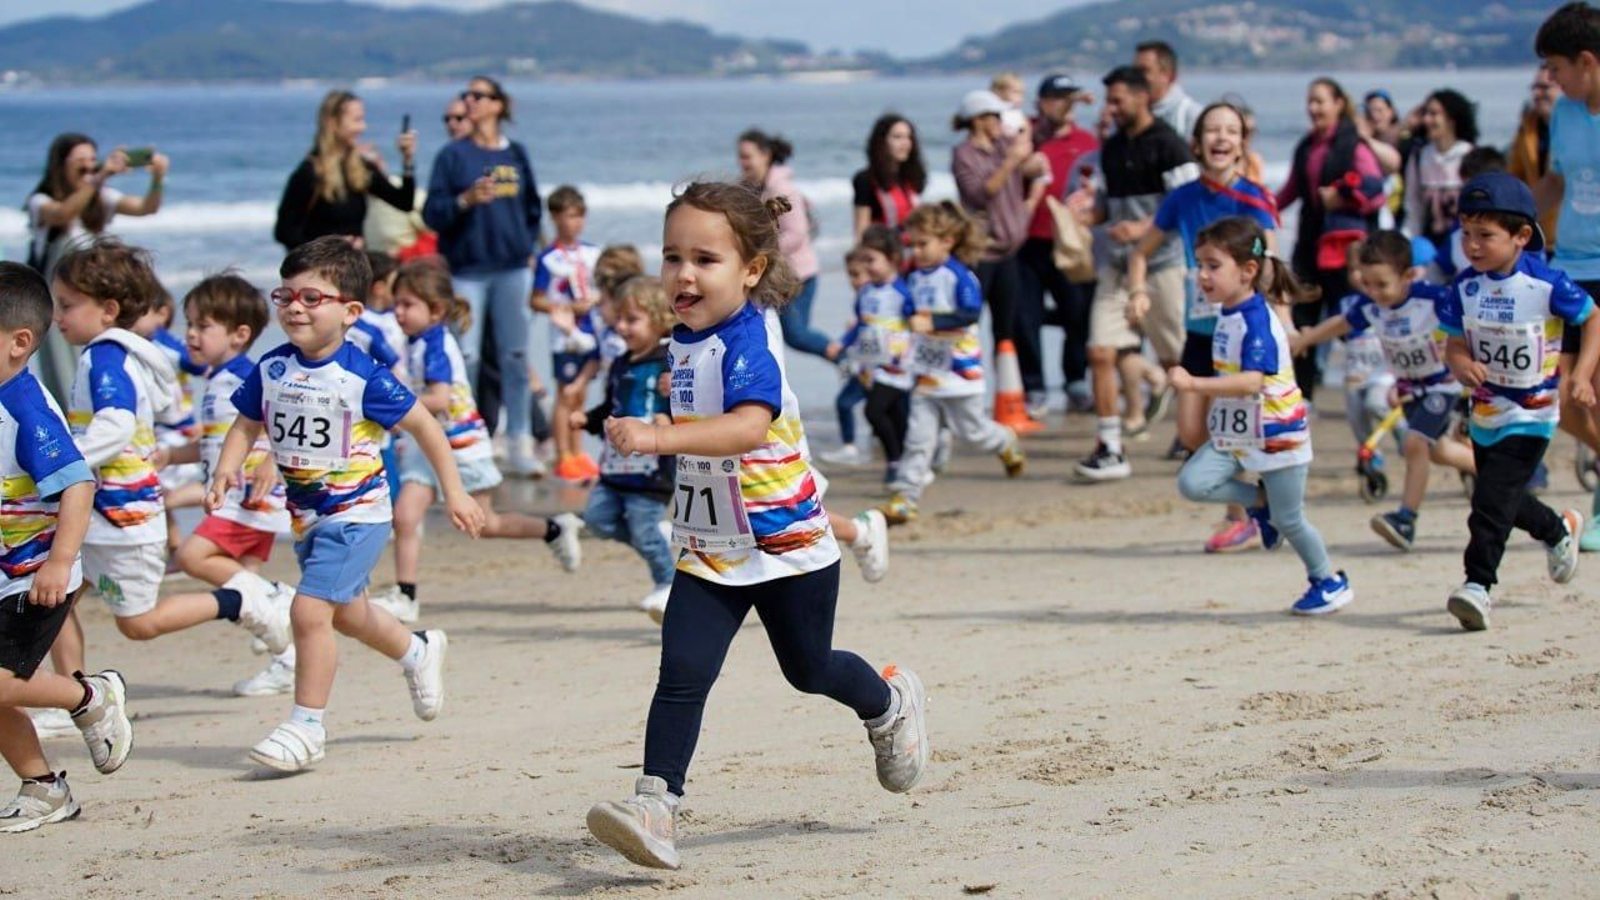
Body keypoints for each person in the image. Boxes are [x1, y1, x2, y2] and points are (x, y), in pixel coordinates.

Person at [583, 181, 927, 871]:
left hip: (789, 546)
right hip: (711, 545)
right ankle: (656, 804)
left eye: (705, 259)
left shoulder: (747, 340)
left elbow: (747, 426)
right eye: (672, 255)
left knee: (808, 669)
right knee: (682, 671)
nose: (683, 273)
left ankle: (888, 703)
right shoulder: (683, 336)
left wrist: (657, 439)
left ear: (751, 271)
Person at [207, 236, 488, 772]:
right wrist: (227, 466)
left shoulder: (363, 376)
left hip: (359, 515)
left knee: (308, 610)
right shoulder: (271, 368)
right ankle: (417, 650)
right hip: (307, 517)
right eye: (285, 295)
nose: (294, 306)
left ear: (351, 312)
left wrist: (455, 491)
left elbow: (426, 425)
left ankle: (306, 727)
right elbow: (247, 423)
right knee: (349, 614)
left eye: (312, 297)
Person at [51, 239, 296, 658]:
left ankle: (240, 601)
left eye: (67, 305)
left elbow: (117, 423)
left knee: (138, 624)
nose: (56, 317)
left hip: (122, 517)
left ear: (108, 310)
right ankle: (73, 699)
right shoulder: (119, 356)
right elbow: (154, 411)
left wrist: (59, 461)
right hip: (98, 510)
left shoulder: (106, 359)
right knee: (53, 602)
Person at [0, 262, 133, 833]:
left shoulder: (26, 410)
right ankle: (43, 788)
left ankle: (89, 695)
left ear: (19, 343)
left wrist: (58, 562)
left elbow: (79, 483)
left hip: (34, 574)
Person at [1171, 216, 1354, 615]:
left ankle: (1328, 580)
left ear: (1248, 270)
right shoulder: (1228, 312)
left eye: (1213, 266)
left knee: (1292, 521)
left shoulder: (1256, 319)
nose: (1202, 276)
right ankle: (1260, 504)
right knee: (1193, 482)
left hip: (1278, 434)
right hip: (1239, 433)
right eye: (1199, 264)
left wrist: (1192, 385)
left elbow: (1252, 382)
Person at [1438, 173, 1596, 631]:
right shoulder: (1464, 288)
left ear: (1521, 236)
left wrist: (1582, 375)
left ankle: (1477, 586)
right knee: (1502, 495)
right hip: (1486, 412)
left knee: (1488, 502)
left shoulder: (1548, 285)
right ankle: (1558, 529)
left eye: (1485, 235)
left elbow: (1593, 318)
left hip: (1533, 414)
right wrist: (1461, 363)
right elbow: (1453, 344)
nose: (1472, 245)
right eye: (1466, 233)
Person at [383, 260, 580, 625]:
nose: (398, 312)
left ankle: (554, 527)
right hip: (426, 447)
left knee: (485, 524)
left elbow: (440, 399)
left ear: (436, 309)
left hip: (462, 446)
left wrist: (387, 404)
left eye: (407, 304)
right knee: (405, 515)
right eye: (396, 303)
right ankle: (406, 594)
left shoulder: (437, 344)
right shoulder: (413, 342)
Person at [1124, 101, 1279, 551]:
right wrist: (1138, 291)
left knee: (1235, 428)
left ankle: (1245, 518)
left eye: (1231, 130)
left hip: (1246, 331)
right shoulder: (1183, 198)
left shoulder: (1254, 197)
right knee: (1193, 433)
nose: (1221, 137)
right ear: (1197, 142)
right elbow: (1140, 253)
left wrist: (1278, 319)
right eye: (1212, 129)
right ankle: (1258, 503)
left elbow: (1269, 263)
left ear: (1241, 144)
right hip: (1201, 328)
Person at [160, 274, 299, 697]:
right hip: (235, 498)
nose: (190, 334)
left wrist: (275, 461)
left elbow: (286, 420)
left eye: (203, 326)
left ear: (239, 335)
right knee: (246, 596)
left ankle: (279, 595)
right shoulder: (217, 379)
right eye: (189, 324)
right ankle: (287, 661)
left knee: (191, 555)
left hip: (249, 498)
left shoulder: (247, 376)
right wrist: (170, 456)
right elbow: (218, 441)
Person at [1293, 232, 1473, 553]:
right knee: (1440, 452)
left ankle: (1406, 519)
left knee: (1416, 443)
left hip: (1442, 385)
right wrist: (1306, 339)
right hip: (1407, 391)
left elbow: (1469, 317)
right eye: (1367, 283)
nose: (1373, 292)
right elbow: (1340, 324)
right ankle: (1500, 473)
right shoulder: (1371, 306)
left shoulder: (1433, 298)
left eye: (1381, 284)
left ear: (1407, 276)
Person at [1069, 65, 1197, 482]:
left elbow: (1189, 205)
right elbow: (1108, 205)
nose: (1111, 108)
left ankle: (1193, 436)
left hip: (1163, 264)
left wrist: (1143, 229)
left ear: (1143, 97)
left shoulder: (1170, 145)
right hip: (1118, 266)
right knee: (1101, 352)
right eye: (1109, 100)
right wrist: (1089, 214)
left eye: (1117, 99)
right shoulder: (1111, 148)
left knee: (1177, 357)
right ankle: (1110, 447)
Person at [422, 75, 543, 476]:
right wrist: (464, 200)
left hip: (512, 268)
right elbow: (432, 214)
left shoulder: (517, 154)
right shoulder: (453, 156)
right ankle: (466, 443)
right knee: (467, 358)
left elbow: (531, 208)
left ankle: (520, 443)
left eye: (478, 95)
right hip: (468, 271)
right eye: (467, 95)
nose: (469, 101)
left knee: (515, 357)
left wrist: (527, 249)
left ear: (498, 105)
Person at [878, 202, 1026, 524]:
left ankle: (1004, 440)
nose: (916, 251)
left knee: (972, 432)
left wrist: (933, 322)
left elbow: (971, 312)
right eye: (912, 244)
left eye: (923, 243)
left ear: (946, 241)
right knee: (918, 439)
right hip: (927, 373)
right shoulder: (914, 276)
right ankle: (906, 496)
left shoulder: (959, 276)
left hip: (961, 371)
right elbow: (907, 308)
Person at [1276, 77, 1388, 402]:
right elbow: (1290, 191)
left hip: (1347, 254)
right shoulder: (1306, 146)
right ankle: (1302, 399)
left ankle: (1371, 392)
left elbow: (1375, 189)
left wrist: (1343, 197)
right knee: (1302, 321)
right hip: (1310, 248)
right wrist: (1259, 208)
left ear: (1338, 103)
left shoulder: (1353, 144)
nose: (1313, 108)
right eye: (1310, 101)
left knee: (1352, 322)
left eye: (1320, 101)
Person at [1535, 2, 1600, 553]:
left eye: (1556, 67)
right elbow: (1557, 181)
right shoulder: (1564, 113)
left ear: (1587, 61)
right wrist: (1510, 218)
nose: (1550, 79)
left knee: (1597, 390)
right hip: (1568, 265)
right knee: (1557, 393)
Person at [573, 275, 676, 622]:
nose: (622, 326)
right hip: (616, 465)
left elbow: (693, 403)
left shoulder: (671, 360)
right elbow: (611, 407)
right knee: (597, 521)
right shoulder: (620, 363)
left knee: (644, 531)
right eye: (619, 318)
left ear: (659, 318)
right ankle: (656, 540)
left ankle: (668, 582)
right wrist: (586, 420)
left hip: (652, 469)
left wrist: (669, 412)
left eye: (632, 319)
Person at [1018, 73, 1099, 416]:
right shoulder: (1027, 135)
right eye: (1057, 98)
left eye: (1069, 97)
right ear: (1041, 102)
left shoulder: (1089, 141)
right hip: (1028, 242)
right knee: (1026, 317)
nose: (1064, 104)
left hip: (1071, 245)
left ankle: (1075, 380)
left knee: (1077, 314)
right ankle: (1033, 386)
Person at [952, 89, 1049, 372]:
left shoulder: (1005, 144)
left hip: (1011, 252)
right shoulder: (963, 155)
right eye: (995, 116)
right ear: (979, 120)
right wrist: (1011, 162)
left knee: (1008, 330)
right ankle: (965, 383)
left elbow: (1031, 164)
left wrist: (1029, 164)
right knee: (968, 325)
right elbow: (980, 193)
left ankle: (1007, 394)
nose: (999, 122)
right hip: (981, 254)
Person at [273, 90, 417, 250]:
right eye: (357, 120)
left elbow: (404, 202)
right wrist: (332, 248)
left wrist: (407, 159)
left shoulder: (361, 167)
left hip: (353, 267)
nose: (363, 127)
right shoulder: (310, 172)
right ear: (333, 123)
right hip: (322, 269)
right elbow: (283, 231)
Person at [736, 130, 836, 363]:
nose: (742, 163)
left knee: (796, 333)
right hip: (770, 275)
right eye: (740, 157)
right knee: (768, 330)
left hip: (798, 275)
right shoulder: (751, 188)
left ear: (766, 155)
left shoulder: (783, 188)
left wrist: (759, 252)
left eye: (747, 156)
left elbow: (796, 233)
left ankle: (842, 356)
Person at [531, 186, 604, 482]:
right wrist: (563, 307)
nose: (570, 223)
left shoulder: (592, 253)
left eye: (576, 217)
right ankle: (563, 455)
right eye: (563, 217)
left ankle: (578, 451)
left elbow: (603, 288)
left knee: (582, 394)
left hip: (591, 329)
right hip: (563, 334)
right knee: (565, 393)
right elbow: (534, 299)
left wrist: (595, 301)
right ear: (554, 219)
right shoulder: (548, 259)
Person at [25, 134, 168, 275]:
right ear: (61, 165)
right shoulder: (40, 200)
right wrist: (101, 176)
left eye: (92, 160)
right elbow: (63, 214)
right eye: (81, 161)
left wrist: (158, 178)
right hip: (52, 287)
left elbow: (146, 208)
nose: (88, 167)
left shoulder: (103, 196)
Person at [837, 228, 915, 484]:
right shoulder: (866, 293)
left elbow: (918, 324)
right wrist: (842, 342)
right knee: (890, 415)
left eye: (871, 260)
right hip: (871, 367)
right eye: (864, 260)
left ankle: (899, 461)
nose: (866, 266)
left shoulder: (904, 292)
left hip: (897, 369)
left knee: (877, 412)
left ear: (892, 258)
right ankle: (899, 461)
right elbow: (861, 324)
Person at [1403, 90, 1477, 257]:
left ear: (1451, 119)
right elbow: (1413, 206)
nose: (1426, 120)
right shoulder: (1419, 157)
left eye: (1434, 114)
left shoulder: (1469, 155)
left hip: (1463, 246)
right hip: (1429, 245)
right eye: (1425, 114)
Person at [851, 114, 927, 239]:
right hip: (884, 252)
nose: (905, 143)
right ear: (882, 141)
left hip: (913, 253)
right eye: (897, 137)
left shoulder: (910, 178)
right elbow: (861, 231)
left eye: (908, 137)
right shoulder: (866, 179)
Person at [1509, 67, 1558, 243]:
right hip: (1536, 232)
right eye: (1534, 87)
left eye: (1545, 87)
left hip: (1575, 236)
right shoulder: (1527, 127)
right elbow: (1515, 176)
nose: (1537, 93)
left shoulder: (1580, 128)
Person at [1134, 40, 1202, 139]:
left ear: (1167, 75)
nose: (1135, 77)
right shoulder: (1130, 115)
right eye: (1134, 71)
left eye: (1144, 71)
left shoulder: (1191, 116)